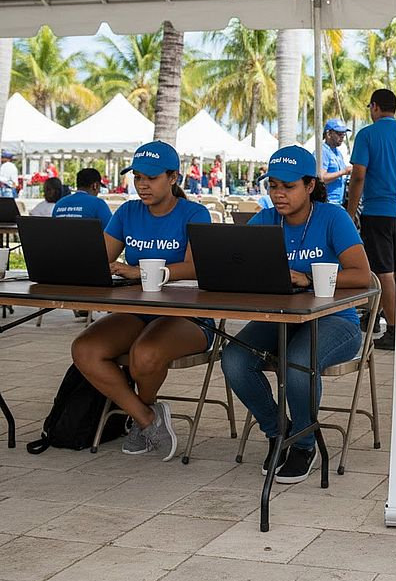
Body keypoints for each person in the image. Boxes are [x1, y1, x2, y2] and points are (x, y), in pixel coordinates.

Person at [221, 146, 370, 484]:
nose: (279, 194)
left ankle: (303, 444)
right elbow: (237, 265)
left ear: (310, 185)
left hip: (336, 321)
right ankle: (279, 432)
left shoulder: (333, 218)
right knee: (234, 359)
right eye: (273, 185)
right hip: (280, 320)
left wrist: (306, 278)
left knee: (297, 363)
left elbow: (362, 275)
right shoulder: (264, 220)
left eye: (288, 186)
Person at [71, 141, 214, 461]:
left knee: (144, 354)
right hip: (138, 312)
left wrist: (140, 271)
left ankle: (141, 416)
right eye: (137, 177)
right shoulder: (127, 211)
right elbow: (100, 260)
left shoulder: (194, 213)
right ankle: (146, 418)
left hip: (188, 315)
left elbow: (196, 266)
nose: (142, 185)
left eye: (151, 178)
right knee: (85, 349)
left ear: (173, 178)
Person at [347, 89, 396, 350]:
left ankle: (394, 330)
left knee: (383, 273)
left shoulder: (367, 134)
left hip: (378, 211)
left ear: (375, 107)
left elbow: (358, 175)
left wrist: (349, 213)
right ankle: (373, 316)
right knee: (394, 272)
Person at [320, 119, 352, 205]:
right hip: (328, 202)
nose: (342, 137)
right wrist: (343, 172)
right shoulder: (322, 151)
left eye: (343, 134)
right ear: (328, 134)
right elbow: (321, 178)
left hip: (339, 202)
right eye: (339, 134)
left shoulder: (338, 153)